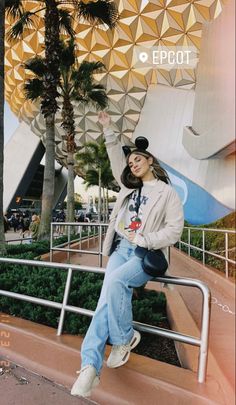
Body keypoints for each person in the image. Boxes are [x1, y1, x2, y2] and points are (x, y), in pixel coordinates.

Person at [70, 111, 184, 398]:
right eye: (130, 162)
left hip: (144, 253)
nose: (133, 164)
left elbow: (174, 231)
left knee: (117, 283)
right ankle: (89, 367)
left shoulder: (166, 193)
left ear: (150, 161)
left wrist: (145, 237)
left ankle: (124, 338)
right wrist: (109, 128)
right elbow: (113, 157)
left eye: (138, 159)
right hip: (121, 249)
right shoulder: (127, 188)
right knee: (104, 301)